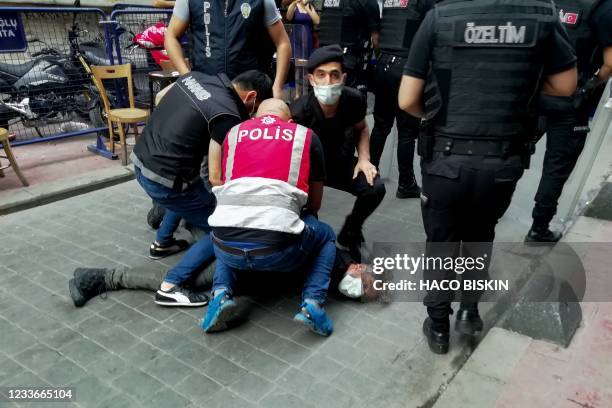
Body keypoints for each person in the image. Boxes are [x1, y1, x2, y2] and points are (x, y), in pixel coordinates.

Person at [399, 0, 577, 354]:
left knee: (441, 244)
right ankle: (469, 311)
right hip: (502, 162)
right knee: (481, 235)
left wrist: (435, 116)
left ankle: (438, 327)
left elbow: (407, 100)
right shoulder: (541, 15)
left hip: (445, 162)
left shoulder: (441, 17)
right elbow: (566, 86)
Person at [68, 70, 273, 308]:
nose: (251, 117)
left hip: (143, 159)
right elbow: (216, 176)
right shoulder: (227, 114)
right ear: (251, 97)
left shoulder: (199, 77)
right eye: (254, 112)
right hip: (166, 180)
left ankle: (162, 243)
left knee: (190, 188)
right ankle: (172, 285)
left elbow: (161, 97)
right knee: (221, 227)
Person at [203, 99, 336, 336]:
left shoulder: (233, 133)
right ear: (290, 122)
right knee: (325, 235)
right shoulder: (305, 135)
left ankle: (220, 295)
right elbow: (315, 204)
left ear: (254, 119)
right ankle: (313, 303)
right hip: (278, 251)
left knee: (230, 221)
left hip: (225, 247)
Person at [290, 45, 386, 262]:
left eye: (334, 75)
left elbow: (361, 128)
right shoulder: (299, 111)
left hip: (340, 163)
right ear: (311, 80)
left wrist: (364, 158)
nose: (328, 82)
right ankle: (305, 243)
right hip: (309, 168)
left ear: (343, 78)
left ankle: (350, 233)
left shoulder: (354, 99)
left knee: (374, 188)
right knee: (305, 208)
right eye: (321, 75)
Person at [527, 0, 612, 242]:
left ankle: (488, 210)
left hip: (537, 93)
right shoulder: (603, 7)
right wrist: (588, 86)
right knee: (556, 168)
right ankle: (538, 227)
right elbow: (610, 62)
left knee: (511, 153)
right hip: (573, 102)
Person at [369, 0, 435, 199]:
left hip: (383, 64)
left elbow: (377, 37)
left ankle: (370, 173)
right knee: (407, 131)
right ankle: (406, 183)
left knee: (381, 125)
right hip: (407, 67)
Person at [164, 0, 291, 99]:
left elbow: (282, 43)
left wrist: (277, 87)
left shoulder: (261, 1)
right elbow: (171, 37)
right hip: (205, 90)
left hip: (250, 92)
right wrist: (187, 78)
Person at [317, 0, 381, 91]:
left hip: (324, 58)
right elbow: (376, 38)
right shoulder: (367, 2)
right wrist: (379, 60)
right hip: (350, 63)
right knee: (353, 100)